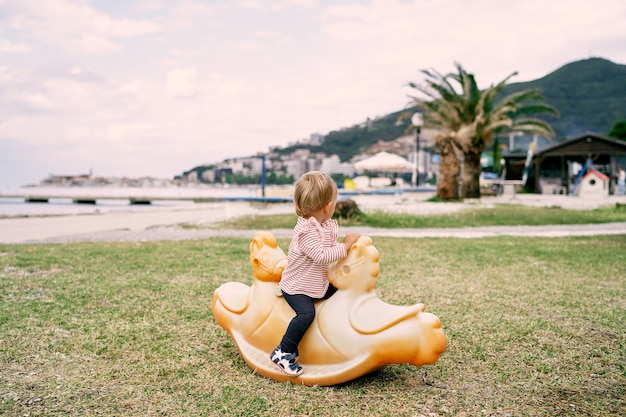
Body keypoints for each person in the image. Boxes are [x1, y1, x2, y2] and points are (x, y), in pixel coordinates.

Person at [269, 171, 361, 376]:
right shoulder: (307, 232)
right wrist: (345, 247)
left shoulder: (320, 225)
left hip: (313, 282)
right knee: (306, 313)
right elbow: (321, 255)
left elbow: (326, 247)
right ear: (328, 206)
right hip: (296, 287)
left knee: (339, 290)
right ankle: (283, 351)